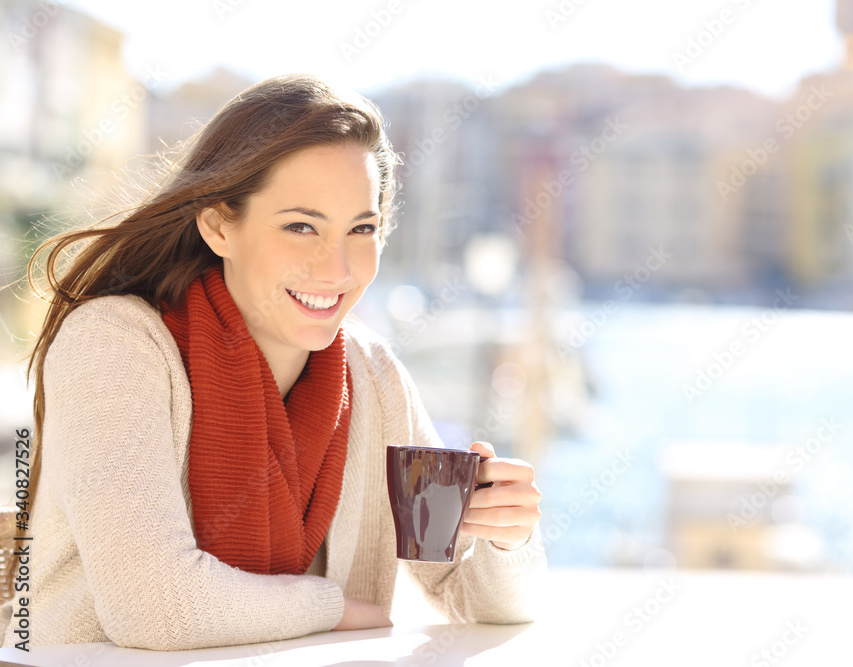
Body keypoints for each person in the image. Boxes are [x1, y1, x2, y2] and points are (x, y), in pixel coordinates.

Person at [1, 74, 545, 650]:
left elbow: (472, 598)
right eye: (300, 226)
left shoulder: (376, 378)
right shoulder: (113, 345)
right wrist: (330, 609)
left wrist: (504, 538)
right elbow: (155, 608)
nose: (336, 268)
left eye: (362, 228)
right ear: (217, 226)